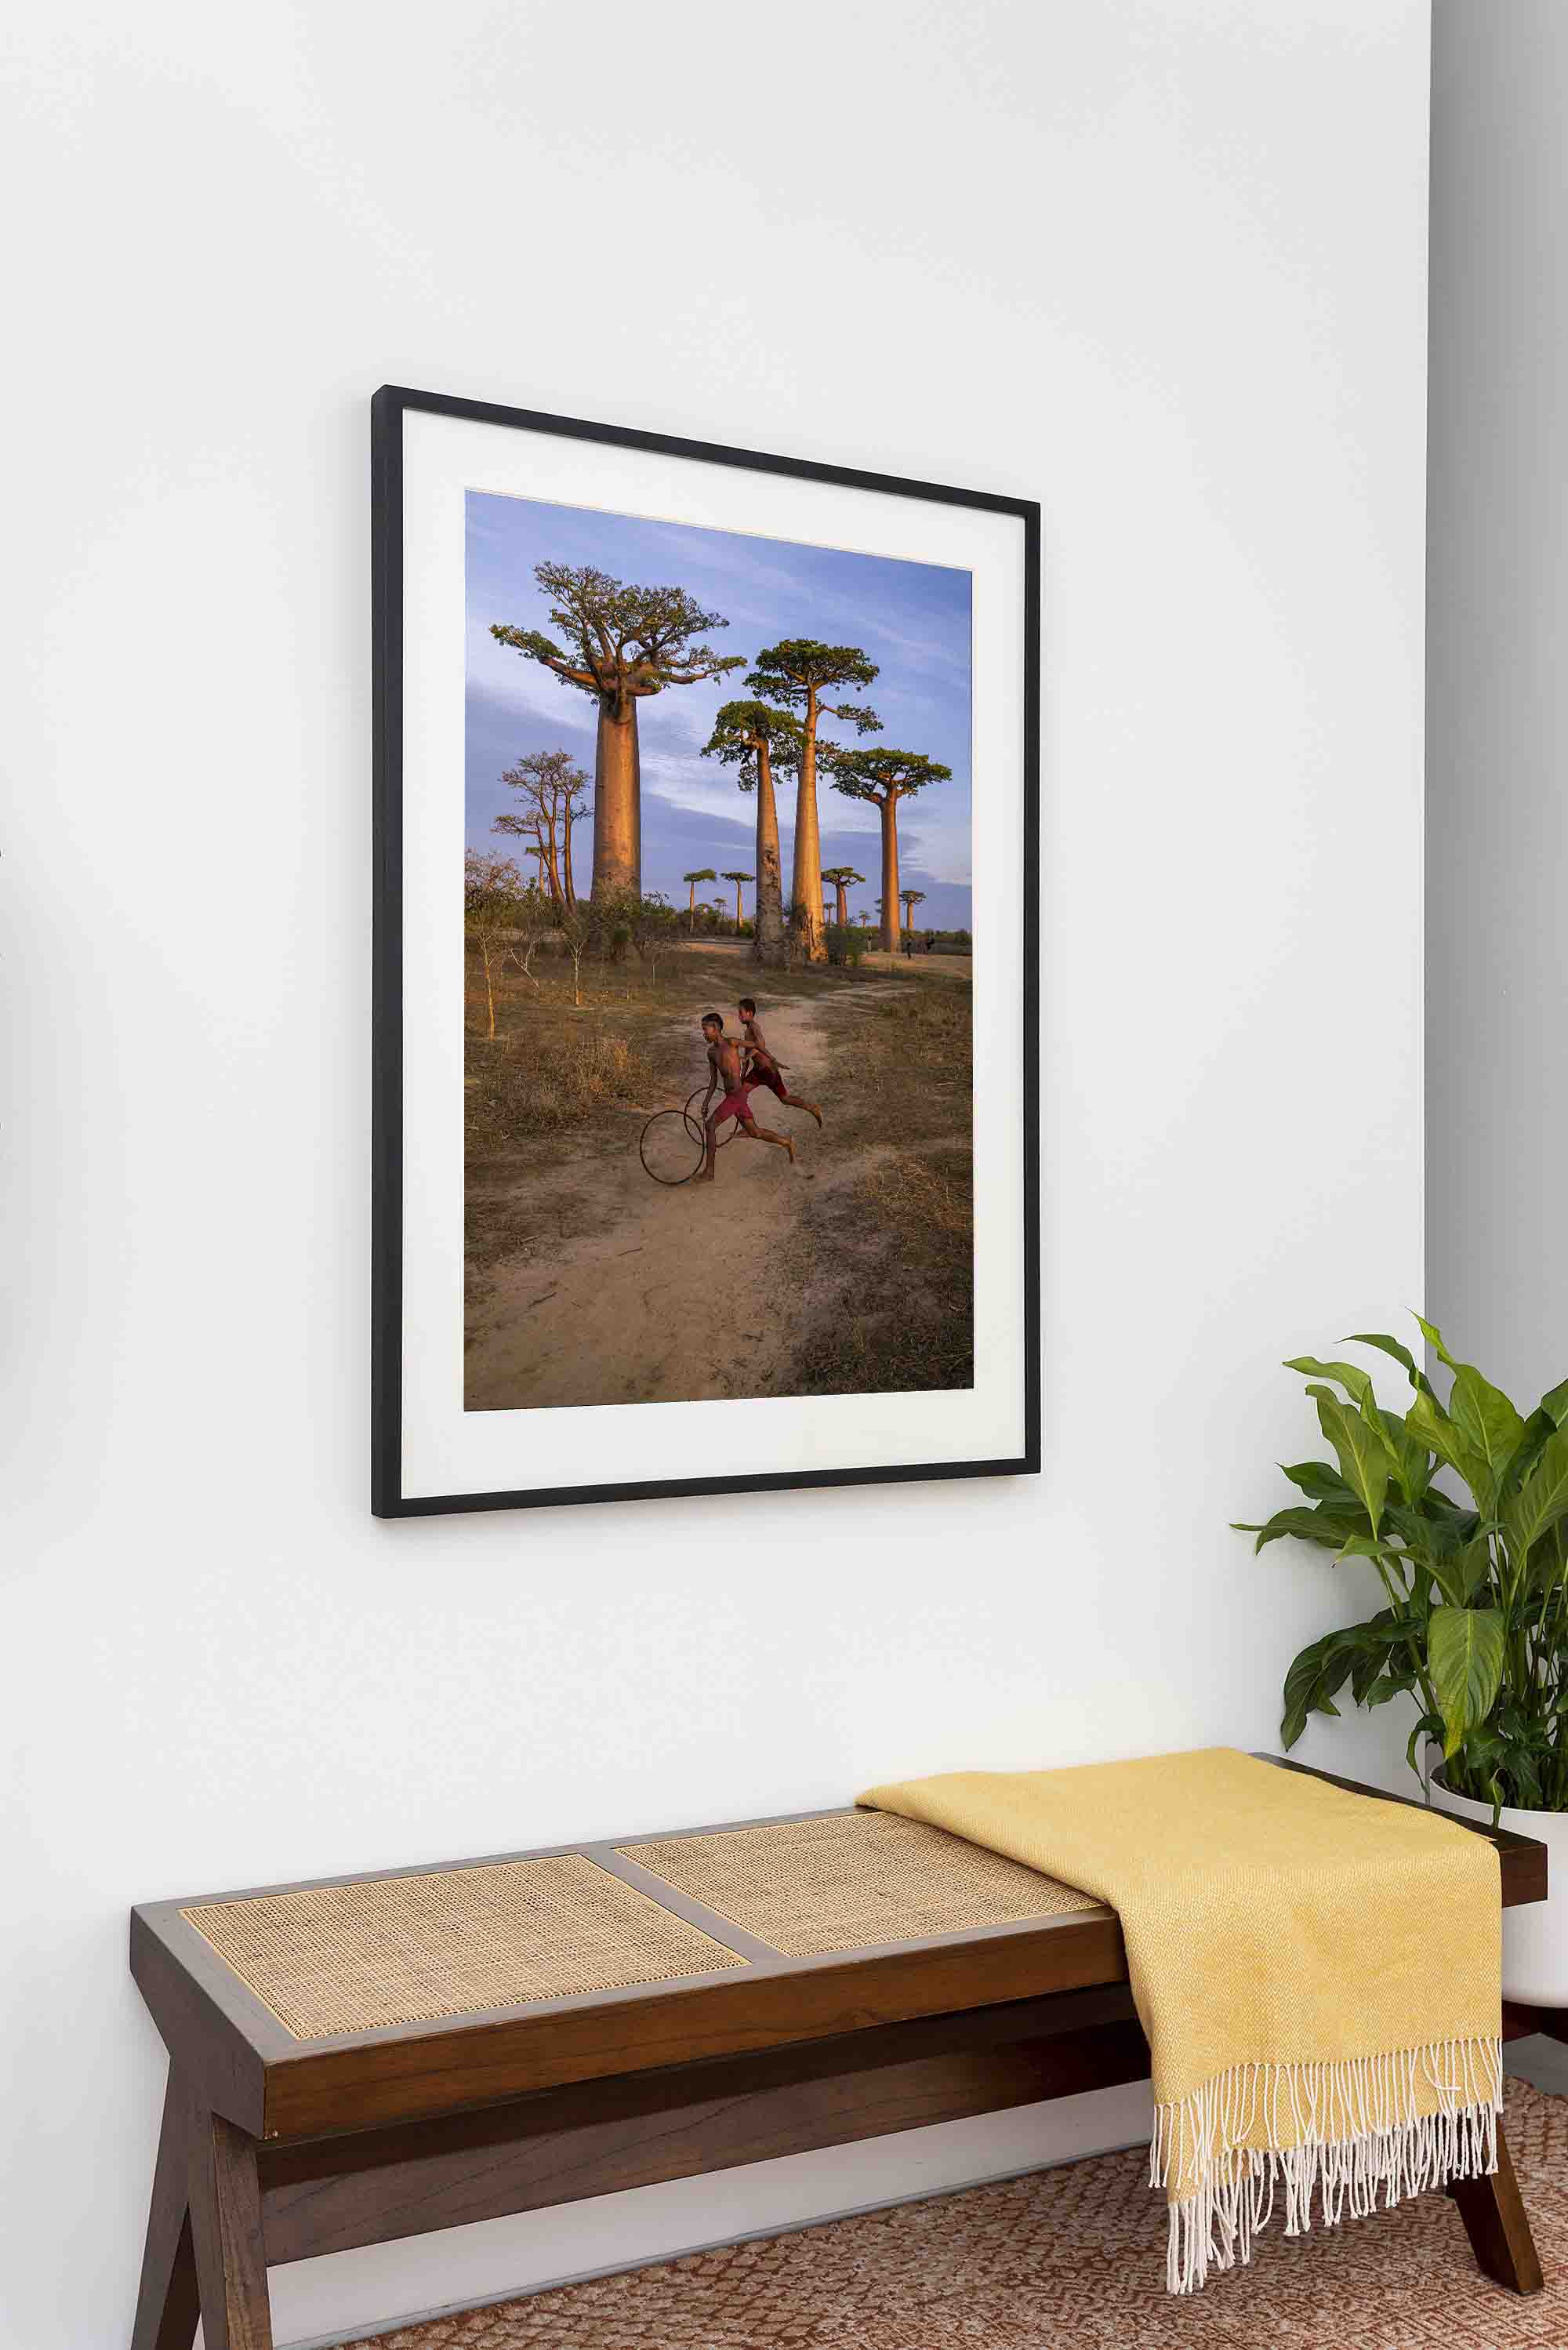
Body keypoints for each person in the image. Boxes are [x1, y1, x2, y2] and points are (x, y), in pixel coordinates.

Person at [697, 1012, 793, 1183]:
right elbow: (713, 1082)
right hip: (733, 1097)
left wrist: (772, 1059)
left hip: (737, 1095)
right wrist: (705, 1103)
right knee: (754, 1132)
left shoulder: (731, 1043)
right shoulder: (711, 1053)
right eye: (703, 1030)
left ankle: (709, 1172)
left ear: (716, 1029)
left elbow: (757, 1044)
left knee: (710, 1126)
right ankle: (786, 1142)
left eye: (705, 1029)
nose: (703, 1033)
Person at [737, 997, 822, 1127]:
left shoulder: (755, 1027)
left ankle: (812, 1107)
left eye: (741, 1012)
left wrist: (747, 1057)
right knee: (741, 1093)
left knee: (785, 1099)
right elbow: (747, 1059)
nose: (739, 1016)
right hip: (757, 1071)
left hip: (768, 1071)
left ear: (749, 1013)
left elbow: (760, 1045)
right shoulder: (747, 1032)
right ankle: (750, 1127)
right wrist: (742, 1075)